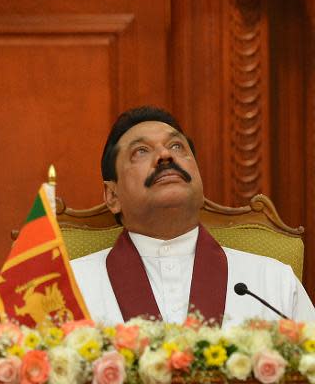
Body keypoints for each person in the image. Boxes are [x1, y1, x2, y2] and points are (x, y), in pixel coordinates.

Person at [70, 106, 315, 327]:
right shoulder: (70, 290)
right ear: (112, 195)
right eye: (141, 151)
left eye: (177, 146)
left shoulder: (272, 284)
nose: (166, 155)